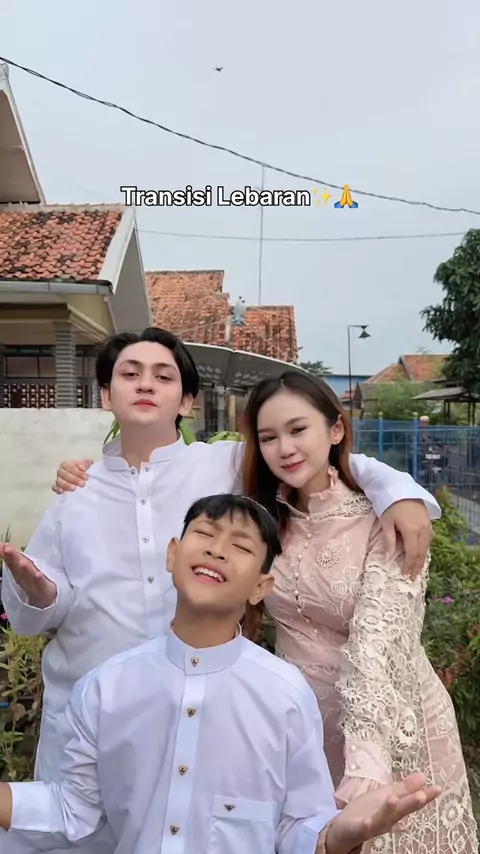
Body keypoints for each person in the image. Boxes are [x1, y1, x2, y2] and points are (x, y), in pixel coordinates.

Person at [0, 328, 439, 850]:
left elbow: (308, 455)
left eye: (163, 376)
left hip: (211, 709)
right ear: (105, 395)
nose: (145, 385)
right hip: (91, 714)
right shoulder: (76, 492)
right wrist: (39, 593)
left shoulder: (220, 466)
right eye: (129, 374)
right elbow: (31, 618)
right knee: (76, 825)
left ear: (187, 400)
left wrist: (399, 490)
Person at [0, 495, 441, 854]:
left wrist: (337, 834)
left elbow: (299, 825)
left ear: (261, 588)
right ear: (172, 555)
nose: (217, 549)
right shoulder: (104, 688)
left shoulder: (284, 694)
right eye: (205, 534)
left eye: (242, 547)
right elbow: (74, 809)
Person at [240, 371, 478, 853]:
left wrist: (367, 764)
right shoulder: (263, 518)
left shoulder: (384, 519)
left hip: (393, 734)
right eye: (269, 437)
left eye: (298, 429)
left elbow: (376, 644)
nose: (285, 447)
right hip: (301, 736)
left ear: (336, 429)